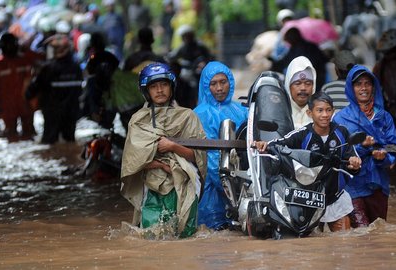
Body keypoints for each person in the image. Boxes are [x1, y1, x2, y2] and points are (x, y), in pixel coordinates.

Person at [120, 62, 207, 238]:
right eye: (154, 86)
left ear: (171, 87)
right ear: (147, 91)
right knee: (150, 236)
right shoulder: (137, 121)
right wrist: (162, 166)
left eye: (164, 84)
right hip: (151, 186)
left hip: (183, 183)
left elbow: (197, 157)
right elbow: (134, 161)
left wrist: (172, 146)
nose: (159, 90)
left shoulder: (187, 116)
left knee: (186, 236)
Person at [254, 92, 362, 232]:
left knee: (344, 242)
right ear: (310, 113)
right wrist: (265, 145)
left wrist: (354, 163)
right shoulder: (302, 134)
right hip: (309, 198)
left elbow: (353, 159)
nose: (324, 115)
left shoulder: (342, 132)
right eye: (320, 110)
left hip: (335, 195)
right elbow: (280, 144)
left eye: (328, 110)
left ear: (333, 112)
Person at [333, 65, 396, 227]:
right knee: (362, 232)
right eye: (358, 84)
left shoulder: (384, 117)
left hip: (379, 183)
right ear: (350, 88)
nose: (363, 88)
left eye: (367, 83)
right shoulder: (341, 119)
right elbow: (336, 152)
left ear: (374, 87)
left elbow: (395, 147)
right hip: (353, 185)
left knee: (378, 230)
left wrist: (383, 156)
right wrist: (362, 148)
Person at [193, 61, 248, 230]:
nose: (219, 88)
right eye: (213, 83)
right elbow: (209, 157)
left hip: (241, 180)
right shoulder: (199, 114)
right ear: (205, 86)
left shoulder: (242, 110)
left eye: (223, 82)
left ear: (230, 82)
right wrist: (226, 184)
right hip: (212, 187)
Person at [26, 33, 83, 144]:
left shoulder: (48, 68)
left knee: (49, 143)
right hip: (71, 112)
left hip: (52, 113)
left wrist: (27, 94)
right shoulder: (76, 68)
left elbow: (34, 88)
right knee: (69, 141)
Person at [0, 32, 37, 142]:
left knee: (27, 133)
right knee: (12, 134)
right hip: (10, 105)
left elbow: (31, 80)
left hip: (23, 102)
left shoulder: (24, 59)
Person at [271, 27, 329, 91]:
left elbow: (284, 62)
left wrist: (273, 63)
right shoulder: (311, 45)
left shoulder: (296, 49)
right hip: (319, 77)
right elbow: (325, 59)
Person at [284, 56, 317, 129]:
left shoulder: (321, 113)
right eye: (297, 83)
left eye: (308, 83)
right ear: (288, 85)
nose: (303, 88)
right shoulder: (280, 112)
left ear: (313, 86)